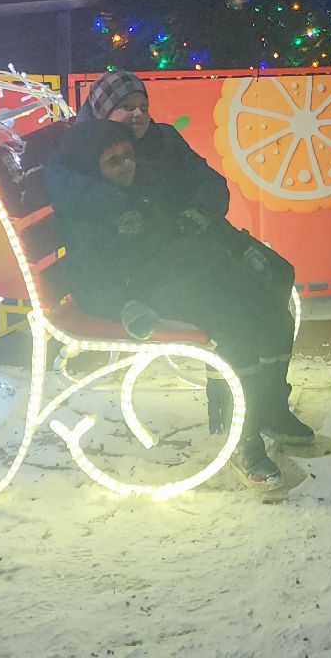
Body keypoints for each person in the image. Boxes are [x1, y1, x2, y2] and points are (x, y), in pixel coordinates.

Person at [43, 72, 311, 489]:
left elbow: (208, 184)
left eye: (142, 106)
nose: (136, 114)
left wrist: (197, 214)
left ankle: (268, 406)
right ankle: (244, 429)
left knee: (274, 285)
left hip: (188, 249)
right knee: (239, 316)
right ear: (100, 115)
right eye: (125, 106)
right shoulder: (87, 163)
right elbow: (86, 214)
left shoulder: (158, 142)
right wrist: (120, 206)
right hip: (146, 276)